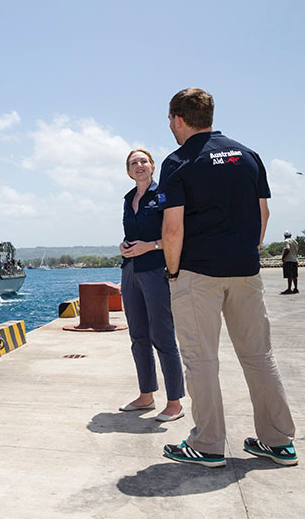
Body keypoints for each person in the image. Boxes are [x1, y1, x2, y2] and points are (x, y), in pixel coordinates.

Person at [159, 88, 296, 468]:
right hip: (246, 271)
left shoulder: (178, 162)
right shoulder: (248, 156)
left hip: (198, 273)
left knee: (200, 360)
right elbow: (263, 214)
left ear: (178, 119)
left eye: (170, 120)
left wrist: (173, 272)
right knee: (258, 356)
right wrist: (245, 253)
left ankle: (207, 445)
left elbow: (172, 230)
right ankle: (278, 442)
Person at [118, 149, 185, 422]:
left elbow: (175, 232)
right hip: (130, 271)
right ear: (128, 171)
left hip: (156, 270)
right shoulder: (127, 199)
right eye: (134, 163)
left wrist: (152, 245)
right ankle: (146, 395)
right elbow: (132, 234)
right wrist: (124, 246)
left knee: (163, 336)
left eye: (143, 161)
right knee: (138, 336)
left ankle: (174, 403)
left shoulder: (163, 195)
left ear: (153, 166)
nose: (139, 165)